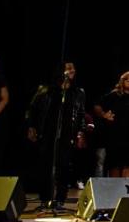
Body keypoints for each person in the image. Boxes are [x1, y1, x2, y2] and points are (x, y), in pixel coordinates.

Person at [26, 61, 87, 210]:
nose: (71, 70)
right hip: (47, 133)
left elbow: (81, 114)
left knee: (64, 167)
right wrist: (31, 127)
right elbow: (32, 110)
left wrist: (81, 131)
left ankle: (60, 199)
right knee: (45, 166)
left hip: (68, 134)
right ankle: (44, 199)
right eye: (68, 68)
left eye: (73, 68)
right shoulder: (46, 90)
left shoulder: (78, 92)